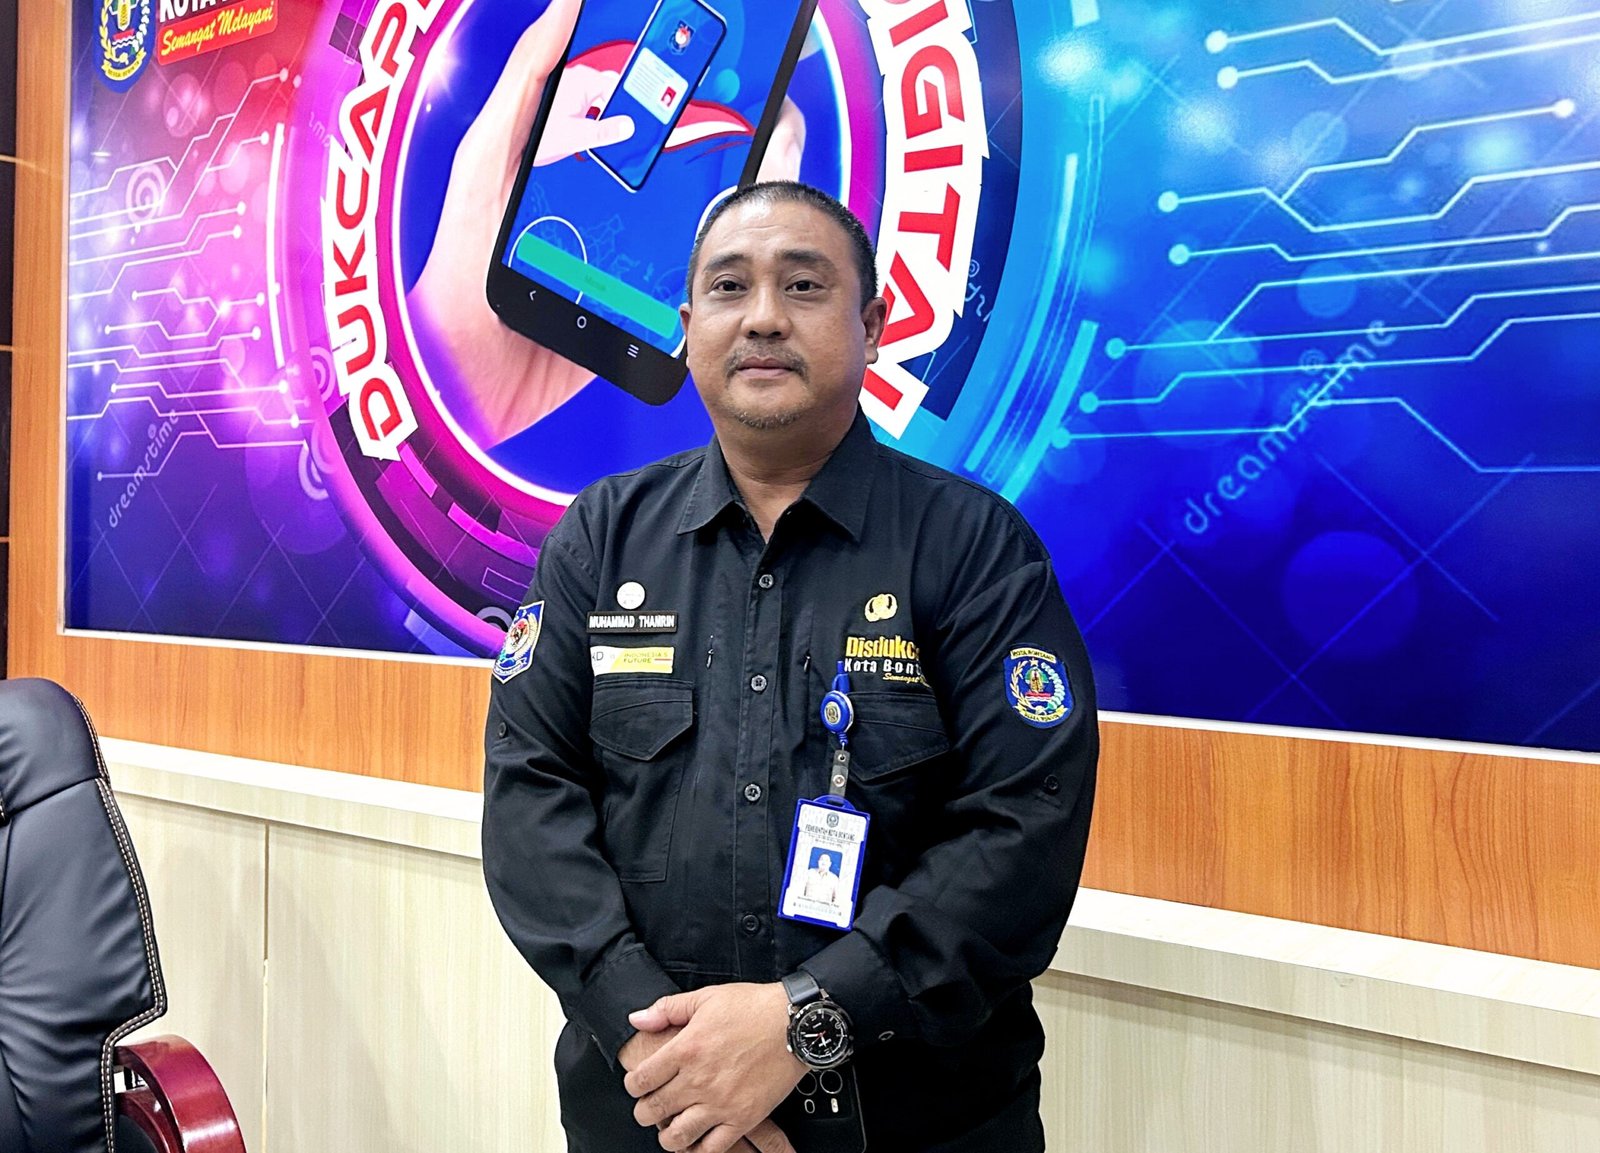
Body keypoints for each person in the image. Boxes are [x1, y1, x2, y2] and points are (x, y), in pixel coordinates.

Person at [482, 180, 1098, 1153]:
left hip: (916, 1125)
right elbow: (530, 798)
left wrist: (809, 1019)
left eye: (804, 285)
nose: (763, 316)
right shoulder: (600, 538)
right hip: (650, 1114)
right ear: (688, 327)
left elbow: (1023, 828)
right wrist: (670, 1058)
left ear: (873, 324)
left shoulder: (974, 548)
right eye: (729, 287)